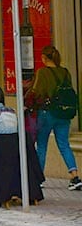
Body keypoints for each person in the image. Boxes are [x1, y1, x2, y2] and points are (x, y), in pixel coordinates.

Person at [32, 45, 82, 190]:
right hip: (64, 113)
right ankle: (75, 176)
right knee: (64, 144)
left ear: (44, 58)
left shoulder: (42, 72)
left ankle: (39, 178)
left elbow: (37, 92)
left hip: (47, 112)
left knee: (42, 146)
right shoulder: (65, 72)